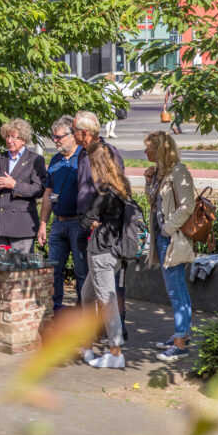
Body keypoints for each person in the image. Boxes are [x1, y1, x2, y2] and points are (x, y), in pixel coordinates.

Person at [144, 130, 195, 362]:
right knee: (177, 290)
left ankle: (181, 342)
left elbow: (187, 206)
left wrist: (167, 229)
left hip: (171, 240)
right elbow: (153, 203)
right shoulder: (159, 174)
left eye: (148, 147)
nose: (145, 151)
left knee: (176, 291)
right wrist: (148, 182)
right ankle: (181, 334)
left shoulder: (178, 173)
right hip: (162, 239)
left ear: (160, 149)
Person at [73, 110, 127, 329]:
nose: (71, 134)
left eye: (73, 131)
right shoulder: (83, 152)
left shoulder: (106, 153)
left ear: (84, 133)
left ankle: (115, 335)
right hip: (89, 229)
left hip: (106, 232)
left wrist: (99, 218)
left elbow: (114, 191)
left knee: (110, 288)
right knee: (90, 290)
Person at [79, 142, 129, 369]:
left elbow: (86, 220)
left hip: (101, 253)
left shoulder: (104, 191)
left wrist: (93, 221)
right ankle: (87, 345)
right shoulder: (121, 186)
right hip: (114, 250)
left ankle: (115, 352)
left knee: (107, 302)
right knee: (87, 295)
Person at [37, 116, 84, 312]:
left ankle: (83, 314)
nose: (56, 141)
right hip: (58, 223)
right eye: (53, 137)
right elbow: (48, 193)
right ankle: (54, 311)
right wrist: (43, 223)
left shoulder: (84, 157)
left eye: (59, 137)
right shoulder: (55, 160)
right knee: (54, 270)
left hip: (79, 224)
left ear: (73, 136)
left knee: (82, 272)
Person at [0, 118, 47, 253]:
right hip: (0, 224)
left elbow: (40, 189)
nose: (9, 140)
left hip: (22, 225)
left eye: (14, 137)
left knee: (19, 269)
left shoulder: (35, 160)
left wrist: (14, 185)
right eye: (7, 137)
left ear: (23, 139)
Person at [104, 73, 118, 139]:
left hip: (105, 104)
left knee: (107, 119)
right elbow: (116, 96)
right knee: (112, 118)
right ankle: (112, 132)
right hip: (112, 104)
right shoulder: (113, 86)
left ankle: (107, 133)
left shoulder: (104, 86)